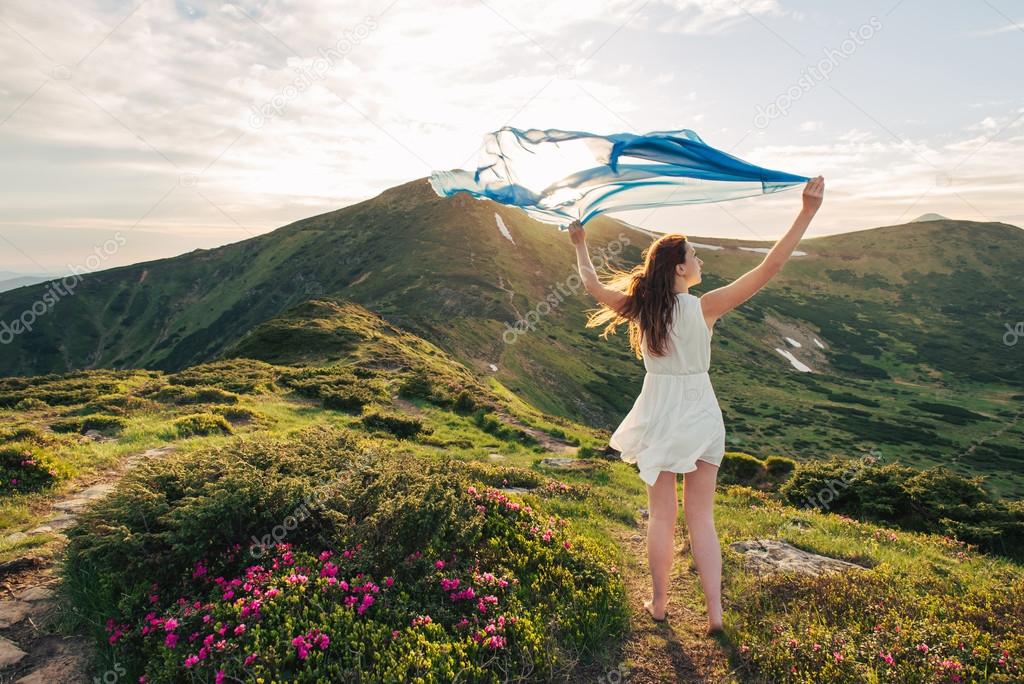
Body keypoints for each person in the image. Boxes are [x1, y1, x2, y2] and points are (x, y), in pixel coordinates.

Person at [568, 176, 825, 636]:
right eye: (695, 256)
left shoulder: (641, 309)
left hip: (659, 412)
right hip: (701, 412)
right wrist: (806, 211)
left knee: (662, 515)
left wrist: (580, 241)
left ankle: (661, 604)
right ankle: (715, 615)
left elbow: (589, 283)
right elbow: (771, 266)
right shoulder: (706, 307)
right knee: (701, 516)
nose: (701, 260)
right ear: (681, 269)